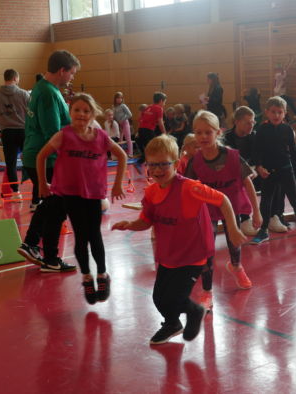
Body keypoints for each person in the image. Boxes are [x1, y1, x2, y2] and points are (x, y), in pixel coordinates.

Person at [111, 135, 247, 345]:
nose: (157, 170)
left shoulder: (190, 188)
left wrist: (233, 227)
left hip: (193, 255)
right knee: (159, 299)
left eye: (163, 164)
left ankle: (193, 311)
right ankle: (173, 323)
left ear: (175, 164)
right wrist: (130, 225)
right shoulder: (151, 192)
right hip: (168, 255)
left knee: (174, 298)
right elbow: (146, 221)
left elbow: (223, 200)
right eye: (152, 165)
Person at [36, 93, 127, 304]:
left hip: (94, 192)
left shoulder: (101, 136)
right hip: (71, 193)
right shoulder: (64, 135)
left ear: (93, 114)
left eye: (86, 111)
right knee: (81, 236)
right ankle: (87, 277)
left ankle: (102, 275)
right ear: (70, 112)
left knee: (95, 234)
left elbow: (122, 155)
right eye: (77, 110)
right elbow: (41, 155)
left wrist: (117, 184)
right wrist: (41, 183)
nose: (81, 114)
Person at [183, 110, 261, 310]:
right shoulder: (195, 162)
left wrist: (256, 211)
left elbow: (248, 183)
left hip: (230, 206)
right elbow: (187, 190)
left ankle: (236, 266)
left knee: (234, 240)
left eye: (208, 132)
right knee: (207, 250)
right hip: (206, 210)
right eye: (198, 133)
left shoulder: (233, 157)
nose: (203, 137)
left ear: (218, 132)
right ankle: (207, 291)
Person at [17, 50, 81, 273]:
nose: (71, 78)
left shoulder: (43, 89)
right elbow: (53, 133)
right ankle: (46, 254)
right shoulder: (47, 93)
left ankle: (35, 246)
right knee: (57, 208)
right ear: (62, 70)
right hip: (46, 158)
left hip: (37, 155)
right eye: (71, 73)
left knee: (51, 206)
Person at [249, 96, 296, 247]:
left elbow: (293, 152)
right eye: (273, 112)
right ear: (267, 112)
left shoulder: (287, 129)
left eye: (279, 112)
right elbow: (257, 152)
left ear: (285, 113)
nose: (276, 115)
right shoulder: (261, 130)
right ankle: (263, 230)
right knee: (266, 202)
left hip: (286, 169)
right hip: (268, 171)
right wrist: (259, 167)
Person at [0, 69, 30, 199]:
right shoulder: (24, 94)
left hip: (7, 132)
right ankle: (38, 190)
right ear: (16, 78)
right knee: (30, 160)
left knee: (10, 163)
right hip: (24, 131)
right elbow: (32, 114)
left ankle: (16, 193)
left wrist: (4, 121)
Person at [222, 106, 260, 235]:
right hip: (232, 173)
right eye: (247, 123)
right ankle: (245, 219)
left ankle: (273, 215)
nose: (251, 125)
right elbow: (229, 159)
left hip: (251, 171)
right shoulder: (226, 138)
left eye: (253, 122)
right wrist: (247, 170)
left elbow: (257, 157)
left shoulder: (254, 136)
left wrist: (256, 168)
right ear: (237, 122)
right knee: (241, 181)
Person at [137, 92, 167, 163]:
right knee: (154, 146)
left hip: (141, 129)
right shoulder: (159, 108)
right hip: (148, 130)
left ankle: (145, 159)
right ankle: (155, 161)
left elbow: (141, 119)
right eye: (164, 102)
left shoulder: (148, 107)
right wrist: (164, 133)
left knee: (147, 146)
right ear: (161, 101)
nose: (164, 104)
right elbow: (160, 122)